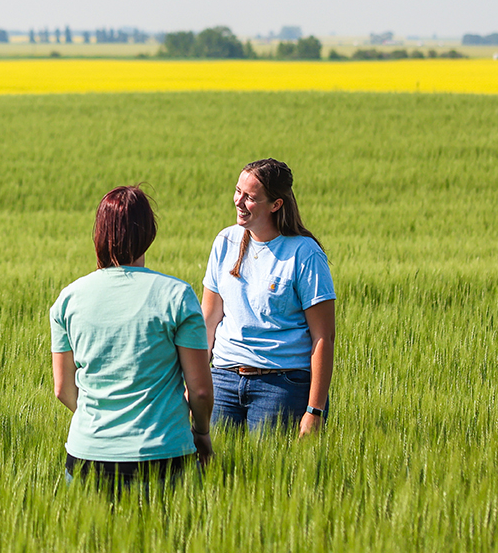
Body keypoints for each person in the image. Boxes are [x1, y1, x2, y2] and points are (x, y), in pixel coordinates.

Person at [50, 186, 213, 493]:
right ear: (149, 232)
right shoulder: (177, 296)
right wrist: (201, 434)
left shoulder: (68, 299)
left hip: (87, 455)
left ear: (99, 232)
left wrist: (102, 421)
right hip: (163, 454)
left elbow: (62, 389)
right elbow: (201, 390)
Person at [201, 158, 336, 437]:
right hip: (223, 380)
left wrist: (315, 410)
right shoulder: (225, 241)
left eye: (250, 197)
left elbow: (323, 337)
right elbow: (209, 320)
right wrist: (196, 384)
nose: (238, 201)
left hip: (281, 387)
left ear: (275, 205)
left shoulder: (304, 253)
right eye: (238, 191)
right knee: (216, 472)